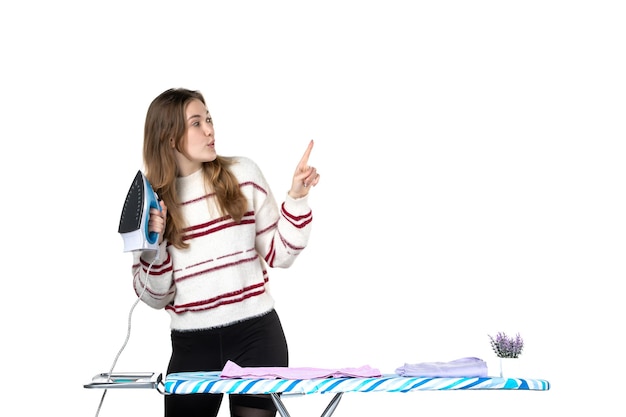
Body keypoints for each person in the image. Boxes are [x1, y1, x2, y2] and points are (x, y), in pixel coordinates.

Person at [131, 87, 320, 417]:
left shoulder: (242, 176)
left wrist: (297, 197)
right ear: (170, 138)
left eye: (209, 119)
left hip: (256, 337)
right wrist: (155, 245)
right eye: (196, 123)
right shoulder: (150, 202)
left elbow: (280, 253)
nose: (209, 130)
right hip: (190, 346)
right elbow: (155, 297)